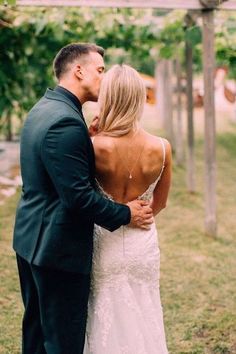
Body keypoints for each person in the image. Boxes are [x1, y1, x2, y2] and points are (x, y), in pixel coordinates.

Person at [13, 43, 153, 354]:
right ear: (79, 71)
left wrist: (87, 138)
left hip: (30, 239)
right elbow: (77, 196)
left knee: (37, 334)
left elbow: (55, 172)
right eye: (100, 70)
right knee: (63, 341)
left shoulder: (46, 107)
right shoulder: (65, 122)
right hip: (56, 250)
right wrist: (125, 214)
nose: (105, 78)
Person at [84, 64, 172, 353]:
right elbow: (160, 203)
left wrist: (89, 133)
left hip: (104, 238)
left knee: (103, 311)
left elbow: (80, 191)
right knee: (144, 309)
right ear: (139, 98)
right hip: (142, 243)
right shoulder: (162, 148)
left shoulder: (94, 146)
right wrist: (139, 216)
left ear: (108, 98)